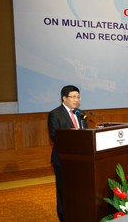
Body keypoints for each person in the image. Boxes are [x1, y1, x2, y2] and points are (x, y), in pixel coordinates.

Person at [48, 85, 88, 222]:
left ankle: (78, 213)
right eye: (73, 97)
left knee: (79, 189)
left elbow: (86, 134)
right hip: (63, 159)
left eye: (78, 97)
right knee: (63, 190)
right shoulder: (55, 114)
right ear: (64, 98)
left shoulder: (81, 113)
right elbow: (54, 136)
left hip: (82, 158)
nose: (76, 100)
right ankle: (64, 217)